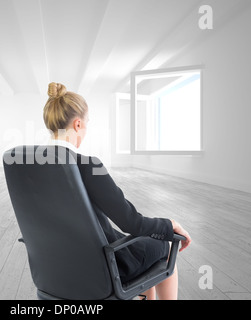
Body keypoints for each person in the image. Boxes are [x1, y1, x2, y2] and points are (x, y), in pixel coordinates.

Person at [43, 82, 192, 300]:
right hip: (104, 265)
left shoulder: (32, 167)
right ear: (77, 124)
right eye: (86, 123)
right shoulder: (87, 166)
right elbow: (132, 223)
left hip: (56, 266)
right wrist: (170, 226)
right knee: (164, 248)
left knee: (145, 251)